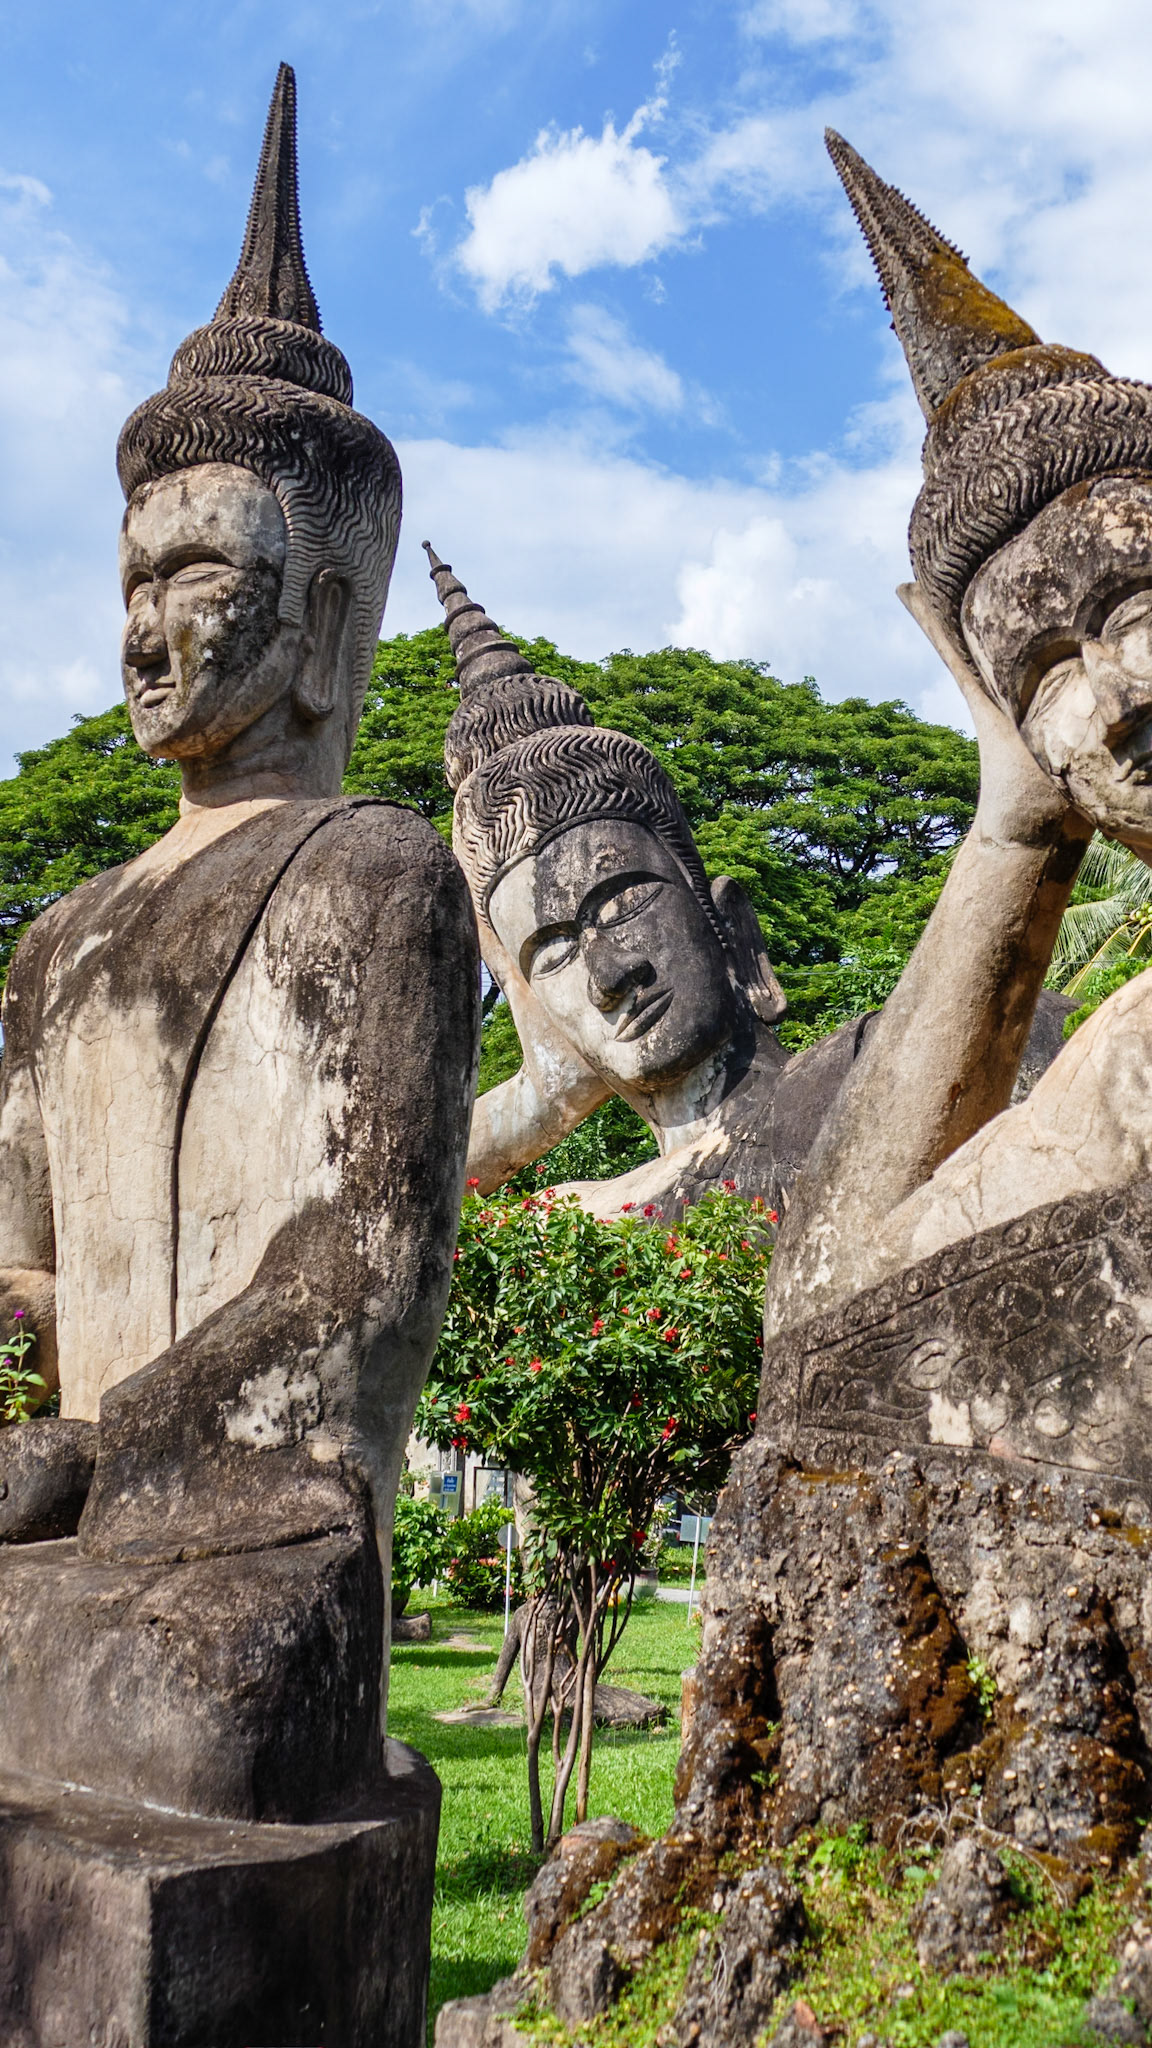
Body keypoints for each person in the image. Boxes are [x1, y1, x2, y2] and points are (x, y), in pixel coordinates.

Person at [0, 67, 478, 1823]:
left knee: (197, 1716)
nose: (144, 629)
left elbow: (361, 1275)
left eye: (196, 574)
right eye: (132, 579)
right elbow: (27, 1264)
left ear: (328, 610)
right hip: (57, 1520)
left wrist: (95, 1456)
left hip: (250, 1525)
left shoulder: (378, 875)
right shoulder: (60, 940)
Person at [769, 134, 1152, 1479]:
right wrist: (1015, 827)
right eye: (1040, 673)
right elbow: (821, 1327)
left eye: (1136, 607)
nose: (1112, 700)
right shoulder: (1131, 1042)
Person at [425, 545, 1071, 1223]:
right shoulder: (571, 1225)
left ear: (732, 930)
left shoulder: (925, 1060)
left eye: (622, 903)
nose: (608, 975)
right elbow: (368, 1225)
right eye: (552, 951)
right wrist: (546, 1086)